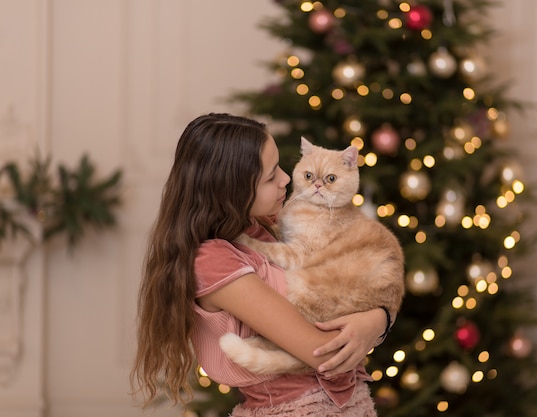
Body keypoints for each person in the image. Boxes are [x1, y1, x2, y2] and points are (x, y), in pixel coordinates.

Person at [130, 113, 393, 416]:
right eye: (270, 176)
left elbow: (372, 286)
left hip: (348, 403)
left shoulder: (267, 226)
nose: (285, 179)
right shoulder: (214, 261)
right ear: (232, 189)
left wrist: (378, 318)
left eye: (280, 166)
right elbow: (323, 353)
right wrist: (378, 321)